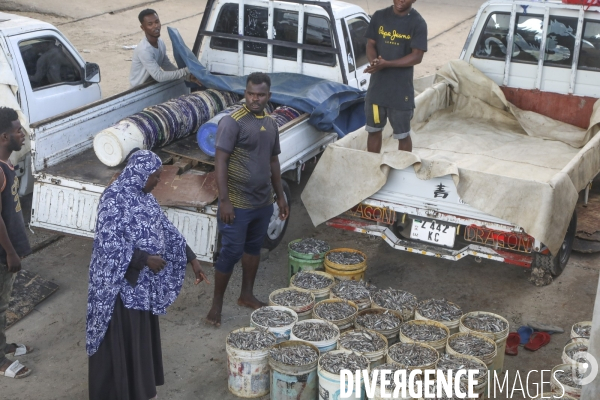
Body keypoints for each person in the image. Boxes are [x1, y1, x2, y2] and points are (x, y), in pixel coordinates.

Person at [86, 150, 209, 400]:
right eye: (155, 177)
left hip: (141, 286)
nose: (158, 182)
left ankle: (139, 391)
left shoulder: (145, 198)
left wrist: (192, 258)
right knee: (123, 340)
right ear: (139, 174)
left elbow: (167, 229)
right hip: (118, 289)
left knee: (139, 341)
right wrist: (144, 259)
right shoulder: (114, 199)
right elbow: (107, 244)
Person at [206, 72, 289, 327]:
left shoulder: (271, 124)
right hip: (237, 204)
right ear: (245, 93)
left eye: (260, 95)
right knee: (230, 253)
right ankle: (216, 306)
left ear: (268, 96)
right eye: (251, 94)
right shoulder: (233, 122)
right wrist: (225, 201)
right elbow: (220, 161)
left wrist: (280, 196)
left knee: (254, 250)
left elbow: (273, 161)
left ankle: (246, 295)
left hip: (262, 203)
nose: (255, 99)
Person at [363, 0, 427, 153]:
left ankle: (403, 170)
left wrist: (387, 64)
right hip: (377, 93)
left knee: (402, 135)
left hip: (401, 94)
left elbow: (417, 56)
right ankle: (372, 167)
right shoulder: (379, 16)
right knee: (373, 130)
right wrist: (374, 62)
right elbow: (370, 44)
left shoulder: (418, 23)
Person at [0, 107, 33, 380]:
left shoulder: (7, 164)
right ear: (3, 136)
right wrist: (10, 252)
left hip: (7, 250)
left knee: (3, 302)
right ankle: (0, 361)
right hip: (1, 253)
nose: (22, 133)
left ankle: (2, 346)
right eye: (17, 130)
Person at [129, 9, 194, 88]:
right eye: (150, 24)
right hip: (139, 90)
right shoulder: (144, 50)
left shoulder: (160, 42)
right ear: (143, 27)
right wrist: (187, 70)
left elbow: (166, 65)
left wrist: (188, 77)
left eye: (157, 22)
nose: (155, 26)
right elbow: (159, 76)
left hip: (153, 84)